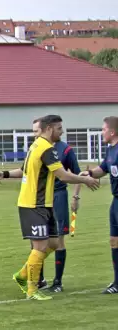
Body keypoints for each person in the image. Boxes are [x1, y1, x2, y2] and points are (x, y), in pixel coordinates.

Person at [0, 114, 98, 300]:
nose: (61, 132)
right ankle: (31, 290)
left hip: (44, 204)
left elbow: (24, 169)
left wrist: (4, 173)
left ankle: (23, 274)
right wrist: (85, 179)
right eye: (59, 128)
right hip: (33, 204)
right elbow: (63, 176)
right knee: (39, 247)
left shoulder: (36, 146)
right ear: (49, 129)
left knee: (54, 243)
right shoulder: (46, 148)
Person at [31, 118, 81, 292]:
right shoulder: (36, 148)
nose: (34, 135)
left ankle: (57, 282)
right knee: (36, 240)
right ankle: (40, 279)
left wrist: (76, 197)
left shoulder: (66, 150)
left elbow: (75, 174)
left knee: (59, 239)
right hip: (39, 199)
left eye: (36, 131)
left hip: (58, 197)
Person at [78, 116, 118, 294]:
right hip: (115, 201)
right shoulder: (111, 150)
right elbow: (102, 169)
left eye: (103, 129)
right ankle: (117, 282)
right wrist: (88, 174)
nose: (101, 132)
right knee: (114, 240)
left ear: (112, 132)